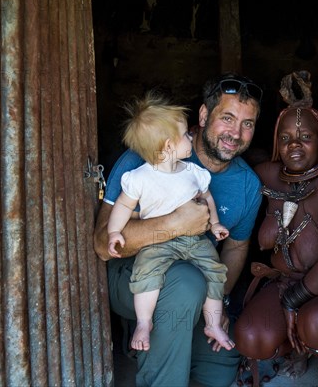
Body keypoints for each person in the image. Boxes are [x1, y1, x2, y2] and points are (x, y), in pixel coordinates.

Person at [93, 73, 264, 386]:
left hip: (196, 276)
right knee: (185, 283)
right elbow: (104, 244)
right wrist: (174, 225)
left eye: (247, 123)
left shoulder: (248, 184)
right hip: (136, 277)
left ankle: (168, 337)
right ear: (203, 115)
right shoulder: (147, 156)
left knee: (222, 357)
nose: (235, 133)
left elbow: (237, 246)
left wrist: (218, 301)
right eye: (227, 118)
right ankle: (144, 330)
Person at [233, 71, 318, 386]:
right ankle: (292, 345)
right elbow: (231, 168)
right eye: (285, 138)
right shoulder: (270, 175)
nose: (294, 146)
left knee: (317, 322)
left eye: (305, 138)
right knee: (250, 336)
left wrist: (294, 299)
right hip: (281, 281)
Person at [105, 92, 234, 353]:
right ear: (167, 147)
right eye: (186, 135)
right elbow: (123, 206)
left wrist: (215, 224)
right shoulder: (139, 177)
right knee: (147, 271)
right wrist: (114, 232)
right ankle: (143, 322)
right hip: (159, 242)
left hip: (194, 240)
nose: (191, 138)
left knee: (215, 270)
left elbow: (207, 196)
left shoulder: (193, 173)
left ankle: (213, 323)